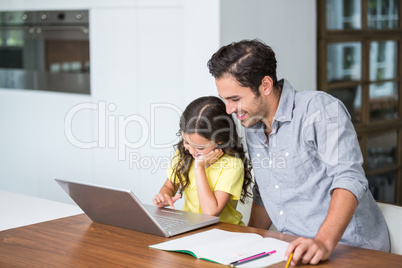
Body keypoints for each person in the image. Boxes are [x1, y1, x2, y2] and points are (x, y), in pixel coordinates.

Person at [207, 39, 390, 265]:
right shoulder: (253, 124)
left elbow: (350, 178)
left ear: (265, 85)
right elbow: (266, 192)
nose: (229, 110)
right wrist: (250, 240)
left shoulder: (319, 109)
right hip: (291, 250)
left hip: (349, 248)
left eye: (235, 99)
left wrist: (322, 242)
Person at [153, 96, 252, 225]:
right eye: (186, 142)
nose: (192, 151)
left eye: (200, 147)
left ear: (220, 140)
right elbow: (169, 186)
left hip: (224, 232)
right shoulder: (184, 153)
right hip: (190, 227)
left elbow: (210, 212)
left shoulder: (232, 164)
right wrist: (165, 196)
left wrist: (199, 168)